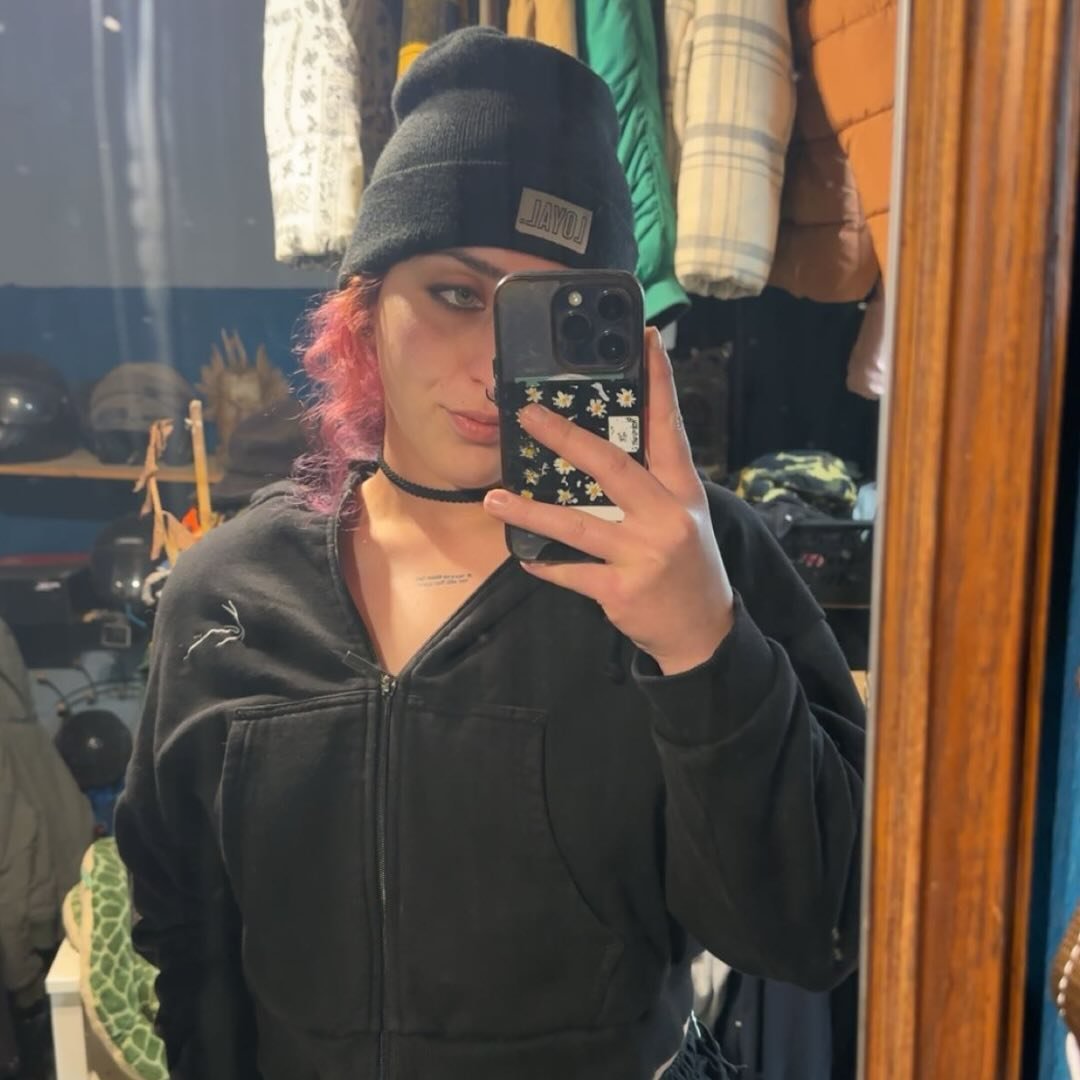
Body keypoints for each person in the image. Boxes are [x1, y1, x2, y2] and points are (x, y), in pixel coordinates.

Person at [114, 27, 865, 1080]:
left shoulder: (694, 557)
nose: (492, 369)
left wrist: (704, 643)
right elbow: (182, 922)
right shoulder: (229, 592)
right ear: (366, 307)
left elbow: (812, 933)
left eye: (550, 316)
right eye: (458, 295)